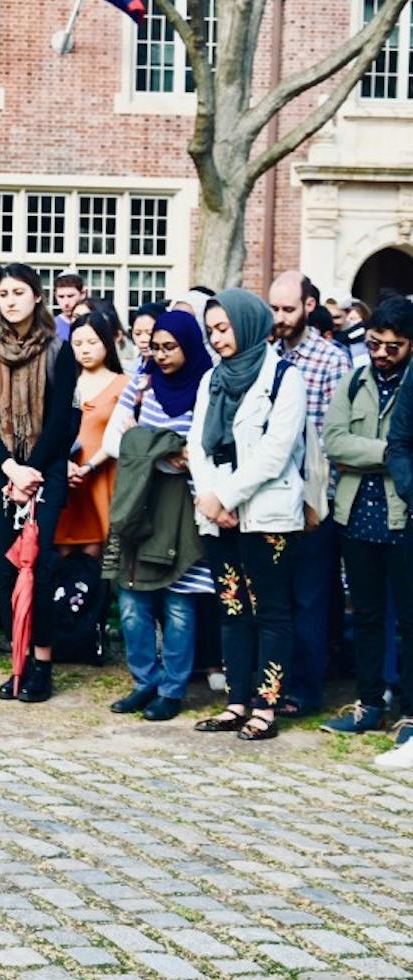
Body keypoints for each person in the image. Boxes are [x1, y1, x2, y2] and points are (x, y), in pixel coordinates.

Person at [190, 290, 308, 743]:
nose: (216, 339)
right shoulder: (212, 380)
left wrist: (229, 497)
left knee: (271, 610)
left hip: (266, 513)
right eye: (212, 331)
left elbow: (275, 452)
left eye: (224, 329)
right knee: (232, 607)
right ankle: (237, 701)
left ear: (248, 324)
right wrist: (211, 497)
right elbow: (199, 445)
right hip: (218, 512)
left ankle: (266, 704)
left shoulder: (284, 377)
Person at [101, 310, 215, 722]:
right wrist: (162, 448)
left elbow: (198, 452)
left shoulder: (206, 385)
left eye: (171, 348)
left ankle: (173, 688)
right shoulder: (141, 380)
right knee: (132, 600)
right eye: (157, 347)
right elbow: (115, 441)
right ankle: (144, 681)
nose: (162, 355)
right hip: (139, 500)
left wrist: (144, 442)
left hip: (182, 506)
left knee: (179, 602)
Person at [0, 264, 79, 703]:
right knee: (5, 567)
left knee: (38, 569)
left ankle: (42, 663)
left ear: (38, 297)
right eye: (4, 292)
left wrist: (30, 470)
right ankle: (16, 663)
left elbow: (64, 421)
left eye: (19, 292)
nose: (10, 300)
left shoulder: (58, 350)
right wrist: (9, 469)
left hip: (44, 469)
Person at [321, 296, 413, 736]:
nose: (380, 353)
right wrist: (393, 453)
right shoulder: (356, 380)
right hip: (357, 515)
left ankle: (411, 712)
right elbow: (335, 441)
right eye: (375, 343)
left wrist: (379, 456)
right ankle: (370, 703)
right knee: (367, 616)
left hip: (404, 516)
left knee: (411, 620)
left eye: (392, 347)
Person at [266, 271, 350, 717]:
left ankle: (305, 689)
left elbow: (335, 438)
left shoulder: (332, 360)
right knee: (277, 597)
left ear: (309, 306)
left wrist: (322, 499)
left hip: (316, 497)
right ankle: (273, 684)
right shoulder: (268, 355)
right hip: (271, 496)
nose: (279, 318)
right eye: (274, 309)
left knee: (310, 598)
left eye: (287, 310)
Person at [54, 316, 128, 557]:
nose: (84, 349)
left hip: (104, 476)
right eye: (77, 343)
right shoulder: (63, 382)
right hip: (66, 479)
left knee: (106, 556)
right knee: (64, 562)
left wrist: (87, 467)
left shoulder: (124, 384)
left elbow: (121, 433)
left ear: (107, 343)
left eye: (92, 342)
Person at [53, 271, 85, 341]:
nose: (66, 302)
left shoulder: (94, 322)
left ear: (82, 294)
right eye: (61, 297)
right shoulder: (51, 327)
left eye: (70, 296)